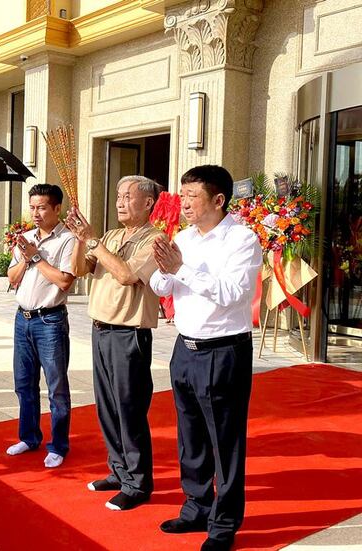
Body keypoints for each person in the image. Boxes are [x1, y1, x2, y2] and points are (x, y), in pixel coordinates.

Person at [150, 165, 262, 551]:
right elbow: (161, 284)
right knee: (190, 436)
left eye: (192, 196)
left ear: (218, 199)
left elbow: (233, 292)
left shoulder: (242, 240)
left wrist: (180, 267)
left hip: (223, 350)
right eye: (182, 195)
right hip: (185, 347)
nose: (184, 204)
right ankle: (196, 505)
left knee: (225, 441)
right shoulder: (185, 238)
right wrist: (165, 269)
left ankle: (224, 524)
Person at [65, 175, 163, 511]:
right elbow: (80, 269)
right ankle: (118, 470)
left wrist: (93, 241)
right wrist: (81, 239)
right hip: (100, 329)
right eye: (118, 195)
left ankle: (138, 482)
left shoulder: (156, 239)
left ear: (148, 203)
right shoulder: (111, 235)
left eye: (127, 196)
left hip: (129, 334)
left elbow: (126, 275)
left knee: (129, 408)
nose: (120, 202)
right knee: (107, 405)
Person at [6, 184, 76, 469]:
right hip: (22, 318)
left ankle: (58, 444)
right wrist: (24, 258)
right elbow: (12, 278)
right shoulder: (25, 238)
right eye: (32, 207)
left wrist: (36, 256)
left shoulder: (68, 240)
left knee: (56, 387)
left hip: (50, 320)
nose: (35, 213)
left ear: (57, 208)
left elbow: (64, 281)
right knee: (24, 384)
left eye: (42, 207)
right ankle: (29, 436)